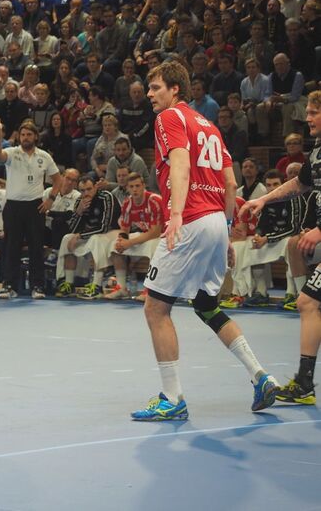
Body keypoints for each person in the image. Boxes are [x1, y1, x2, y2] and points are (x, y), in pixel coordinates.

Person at [132, 62, 280, 422]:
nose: (149, 94)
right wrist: (226, 233)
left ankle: (172, 398)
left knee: (155, 307)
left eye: (155, 87)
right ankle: (261, 375)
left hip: (190, 219)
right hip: (215, 220)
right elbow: (230, 184)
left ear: (175, 90)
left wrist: (176, 214)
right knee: (206, 305)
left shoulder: (169, 118)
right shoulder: (210, 126)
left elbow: (180, 166)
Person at [240, 90, 321, 405]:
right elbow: (300, 184)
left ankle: (304, 384)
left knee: (308, 303)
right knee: (308, 302)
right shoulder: (317, 151)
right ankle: (304, 384)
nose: (307, 118)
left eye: (313, 113)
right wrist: (263, 199)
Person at [0, 117, 63, 300]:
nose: (25, 137)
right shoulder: (12, 153)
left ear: (35, 136)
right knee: (11, 247)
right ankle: (9, 285)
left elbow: (58, 180)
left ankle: (37, 285)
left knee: (36, 247)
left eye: (29, 134)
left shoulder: (44, 156)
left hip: (35, 206)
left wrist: (51, 199)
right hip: (13, 206)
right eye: (22, 134)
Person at [221, 170, 302, 308]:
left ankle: (292, 294)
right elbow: (261, 226)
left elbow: (293, 228)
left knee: (291, 244)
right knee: (246, 246)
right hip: (271, 240)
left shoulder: (294, 199)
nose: (272, 188)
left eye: (275, 184)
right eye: (268, 185)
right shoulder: (266, 201)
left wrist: (267, 238)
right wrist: (258, 236)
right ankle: (255, 293)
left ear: (283, 184)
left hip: (290, 239)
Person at [53, 174, 120, 299]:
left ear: (95, 187)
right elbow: (72, 229)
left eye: (89, 189)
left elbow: (104, 227)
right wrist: (79, 212)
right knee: (67, 238)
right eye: (82, 190)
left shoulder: (106, 197)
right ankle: (68, 283)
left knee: (96, 238)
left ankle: (97, 286)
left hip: (112, 234)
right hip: (91, 235)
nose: (86, 193)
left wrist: (79, 235)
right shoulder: (80, 201)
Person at [106, 173, 163, 301]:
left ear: (143, 186)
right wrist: (121, 241)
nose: (135, 189)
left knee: (154, 247)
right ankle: (121, 288)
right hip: (147, 235)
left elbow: (156, 232)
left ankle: (150, 290)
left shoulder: (154, 200)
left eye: (137, 186)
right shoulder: (127, 203)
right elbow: (125, 229)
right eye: (131, 186)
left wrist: (130, 243)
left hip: (165, 236)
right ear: (127, 188)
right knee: (115, 246)